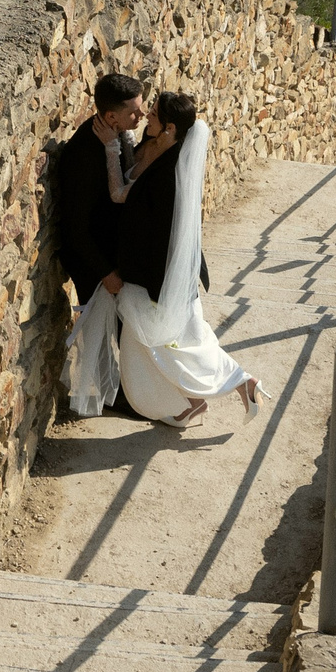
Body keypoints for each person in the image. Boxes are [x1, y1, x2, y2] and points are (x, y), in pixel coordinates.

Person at [111, 91, 267, 429]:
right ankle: (202, 399)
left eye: (154, 114)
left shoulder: (169, 174)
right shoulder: (164, 152)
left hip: (157, 278)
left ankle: (230, 386)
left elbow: (159, 233)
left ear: (169, 128)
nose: (147, 117)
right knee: (180, 343)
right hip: (162, 276)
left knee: (160, 345)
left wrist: (154, 287)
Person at [55, 73, 143, 417]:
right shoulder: (83, 153)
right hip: (91, 257)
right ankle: (116, 397)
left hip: (112, 251)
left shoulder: (116, 137)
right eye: (134, 111)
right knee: (101, 329)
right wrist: (105, 272)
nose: (141, 115)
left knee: (123, 327)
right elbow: (75, 228)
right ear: (110, 116)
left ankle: (128, 391)